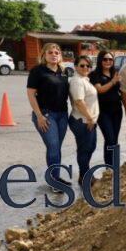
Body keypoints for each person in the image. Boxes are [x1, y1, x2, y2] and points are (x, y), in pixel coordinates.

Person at [26, 43, 71, 190]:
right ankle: (54, 181)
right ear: (44, 55)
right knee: (53, 146)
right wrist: (39, 116)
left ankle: (55, 177)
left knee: (56, 148)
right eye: (50, 52)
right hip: (45, 114)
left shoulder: (64, 71)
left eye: (57, 52)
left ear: (60, 56)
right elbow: (31, 94)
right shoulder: (38, 71)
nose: (54, 54)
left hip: (62, 115)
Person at [68, 55, 99, 186]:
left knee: (89, 148)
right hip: (82, 121)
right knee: (85, 149)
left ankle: (84, 175)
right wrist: (89, 117)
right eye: (82, 65)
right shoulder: (77, 81)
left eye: (88, 65)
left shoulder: (84, 79)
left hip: (87, 120)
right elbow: (79, 101)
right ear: (75, 67)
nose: (85, 67)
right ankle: (85, 177)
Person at [90, 50, 123, 165]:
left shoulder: (115, 73)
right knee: (110, 139)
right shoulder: (95, 74)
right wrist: (113, 82)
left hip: (117, 111)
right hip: (103, 112)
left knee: (113, 139)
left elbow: (121, 90)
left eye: (110, 59)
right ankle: (110, 166)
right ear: (100, 60)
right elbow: (100, 90)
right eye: (105, 59)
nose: (108, 61)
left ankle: (112, 166)